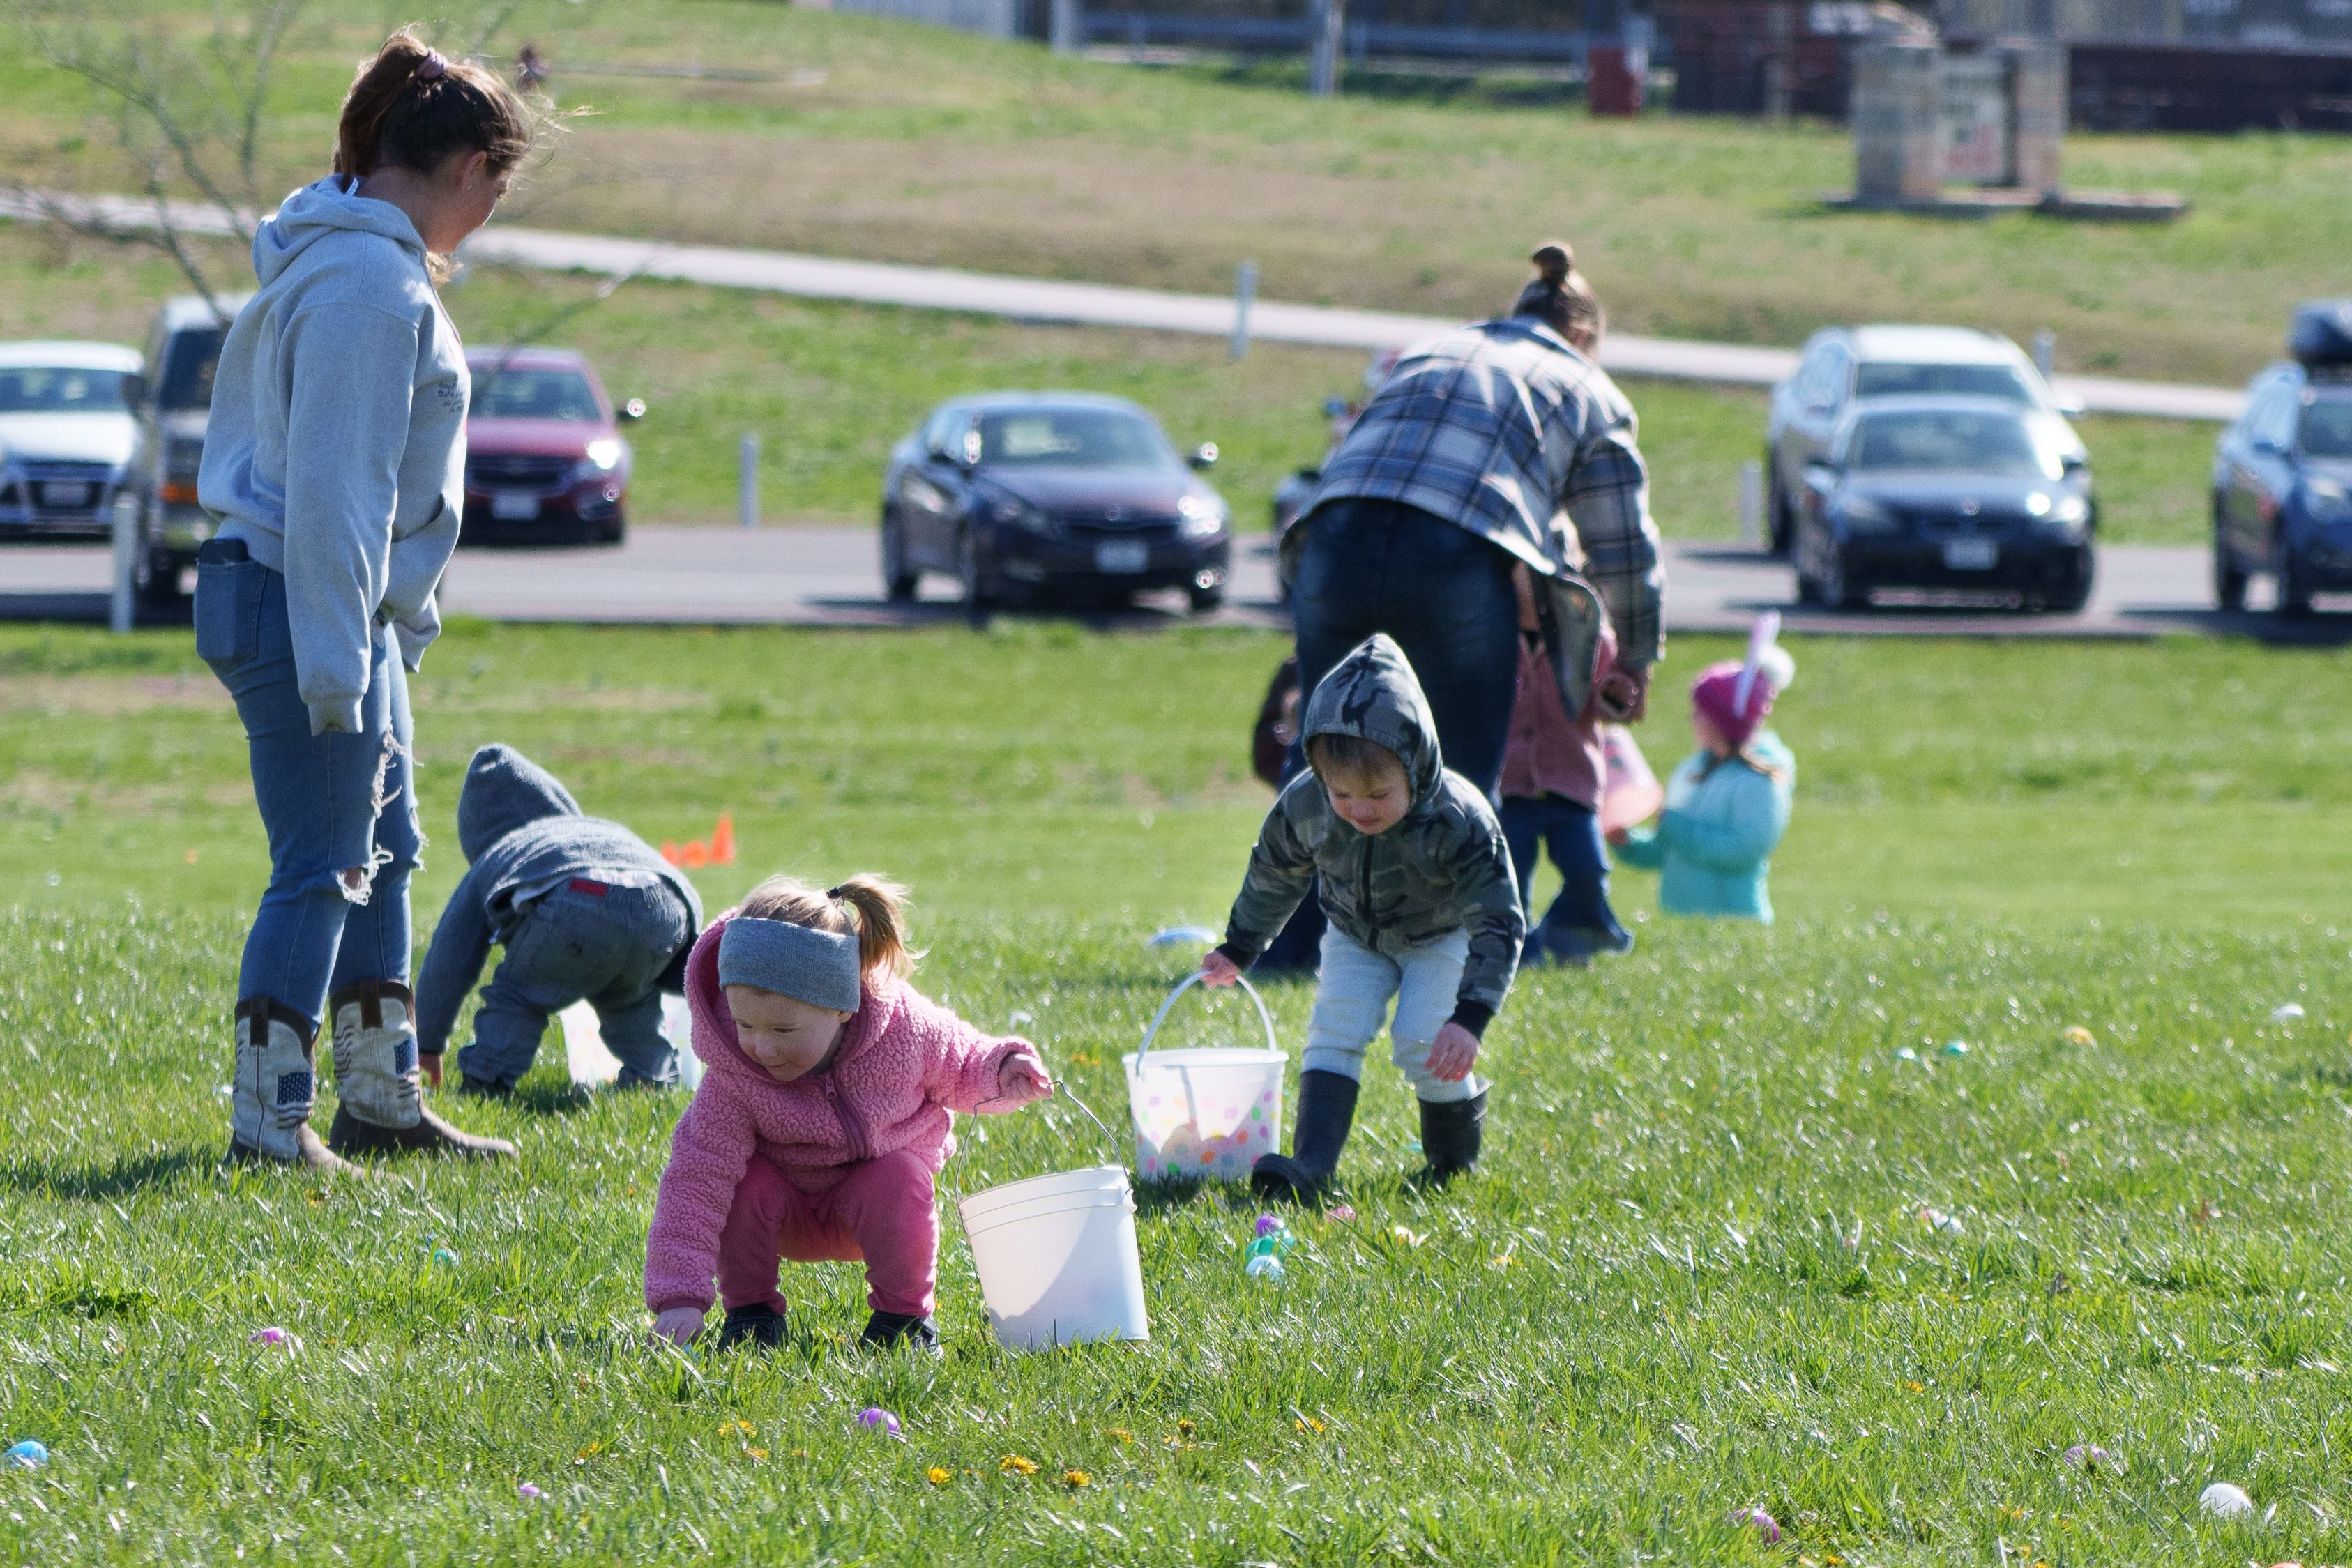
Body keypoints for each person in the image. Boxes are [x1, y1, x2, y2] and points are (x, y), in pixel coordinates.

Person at [194, 31, 542, 1171]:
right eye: (497, 185)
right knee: (325, 860)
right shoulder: (366, 289)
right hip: (305, 603)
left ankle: (381, 1100)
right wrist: (339, 669)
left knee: (384, 851)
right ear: (466, 168)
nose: (489, 211)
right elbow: (339, 495)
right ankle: (268, 1118)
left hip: (337, 606)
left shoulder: (365, 267)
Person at [1283, 240, 1664, 803]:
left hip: (1331, 541)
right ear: (1584, 339)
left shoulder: (1433, 349)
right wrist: (1634, 658)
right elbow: (1623, 549)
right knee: (1455, 796)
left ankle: (1298, 891)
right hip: (1454, 555)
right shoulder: (1587, 387)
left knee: (1325, 777)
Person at [644, 876, 1055, 1353]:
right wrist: (679, 1296)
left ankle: (901, 1322)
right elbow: (696, 1179)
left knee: (901, 1174)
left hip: (874, 1211)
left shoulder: (905, 1030)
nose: (761, 1046)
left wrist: (1004, 1067)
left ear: (844, 1006)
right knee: (739, 1180)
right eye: (744, 1023)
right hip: (783, 1213)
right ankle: (751, 1316)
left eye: (783, 1027)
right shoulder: (734, 1077)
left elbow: (964, 1058)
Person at [1201, 635, 1524, 1200]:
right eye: (1343, 793)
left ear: (1414, 767)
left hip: (1439, 936)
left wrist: (1470, 1015)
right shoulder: (1306, 804)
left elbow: (1498, 917)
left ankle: (1452, 1159)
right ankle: (1311, 1165)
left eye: (1378, 792)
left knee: (1424, 1042)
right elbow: (1275, 871)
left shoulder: (1458, 816)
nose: (1360, 808)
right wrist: (1240, 945)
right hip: (1355, 935)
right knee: (1333, 1030)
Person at [413, 745, 704, 1096]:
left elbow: (450, 957)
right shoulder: (597, 830)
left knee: (518, 996)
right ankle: (653, 1082)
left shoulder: (502, 852)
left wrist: (427, 1044)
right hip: (667, 902)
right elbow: (670, 882)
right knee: (630, 996)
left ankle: (485, 1084)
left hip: (579, 899)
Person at [1612, 619, 1798, 923]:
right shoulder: (1693, 772)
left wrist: (1673, 827)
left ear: (1721, 722)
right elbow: (1669, 853)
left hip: (1735, 920)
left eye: (1700, 712)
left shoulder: (1760, 783)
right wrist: (1628, 844)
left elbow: (1744, 851)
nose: (1692, 719)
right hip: (1682, 920)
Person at [1500, 564, 1633, 965]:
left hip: (1571, 777)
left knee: (1588, 869)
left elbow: (1616, 708)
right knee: (1510, 878)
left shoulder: (1591, 637)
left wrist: (1615, 693)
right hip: (1510, 783)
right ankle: (1516, 956)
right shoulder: (1489, 630)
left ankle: (1570, 937)